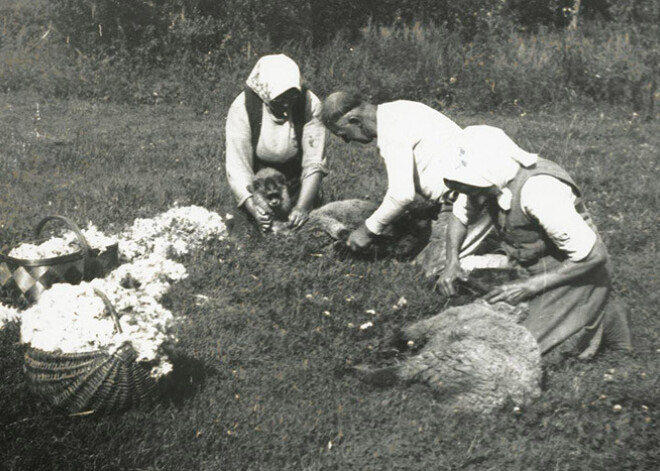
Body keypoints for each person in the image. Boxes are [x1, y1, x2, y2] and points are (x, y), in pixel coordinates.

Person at [437, 125, 631, 358]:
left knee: (525, 350)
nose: (461, 191)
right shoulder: (482, 183)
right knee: (490, 324)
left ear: (490, 172)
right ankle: (589, 308)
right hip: (530, 264)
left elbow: (595, 256)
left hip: (576, 270)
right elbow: (460, 216)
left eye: (465, 185)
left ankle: (602, 312)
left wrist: (529, 287)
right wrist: (451, 263)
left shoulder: (538, 190)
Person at [321, 90, 492, 255]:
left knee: (434, 271)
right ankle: (491, 238)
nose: (347, 141)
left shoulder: (391, 130)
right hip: (474, 191)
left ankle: (501, 259)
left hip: (474, 199)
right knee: (417, 253)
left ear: (354, 120)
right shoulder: (399, 109)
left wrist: (367, 231)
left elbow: (401, 196)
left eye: (343, 135)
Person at [226, 54, 327, 231]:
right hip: (258, 187)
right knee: (251, 235)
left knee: (304, 232)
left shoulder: (310, 104)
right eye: (280, 100)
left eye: (292, 98)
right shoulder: (242, 107)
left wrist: (302, 208)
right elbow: (238, 166)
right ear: (265, 93)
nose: (287, 105)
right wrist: (254, 207)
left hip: (297, 184)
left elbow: (314, 162)